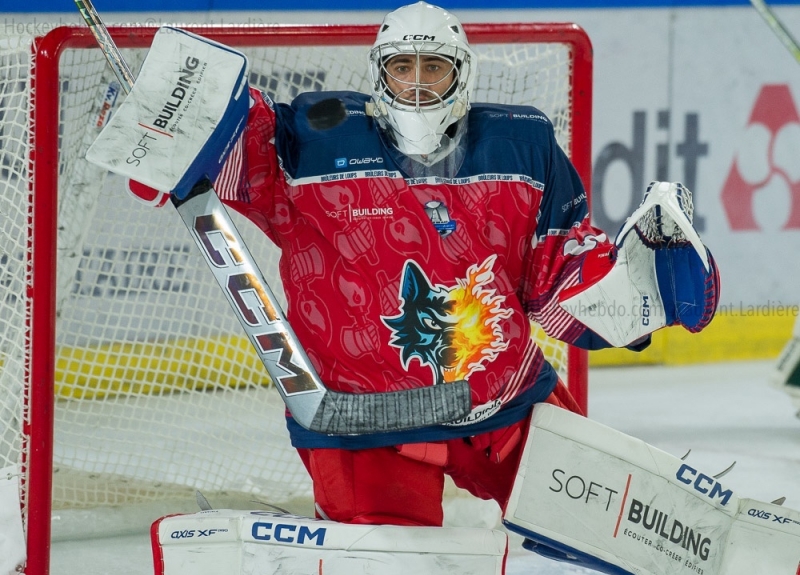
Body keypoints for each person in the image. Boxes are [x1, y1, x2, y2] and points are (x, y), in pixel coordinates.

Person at [205, 0, 719, 528]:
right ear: (379, 73)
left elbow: (554, 269)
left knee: (606, 519)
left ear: (462, 72)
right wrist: (182, 117)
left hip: (500, 400)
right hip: (360, 421)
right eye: (402, 67)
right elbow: (236, 142)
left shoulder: (520, 144)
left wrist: (634, 293)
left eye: (435, 66)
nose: (419, 82)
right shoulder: (312, 141)